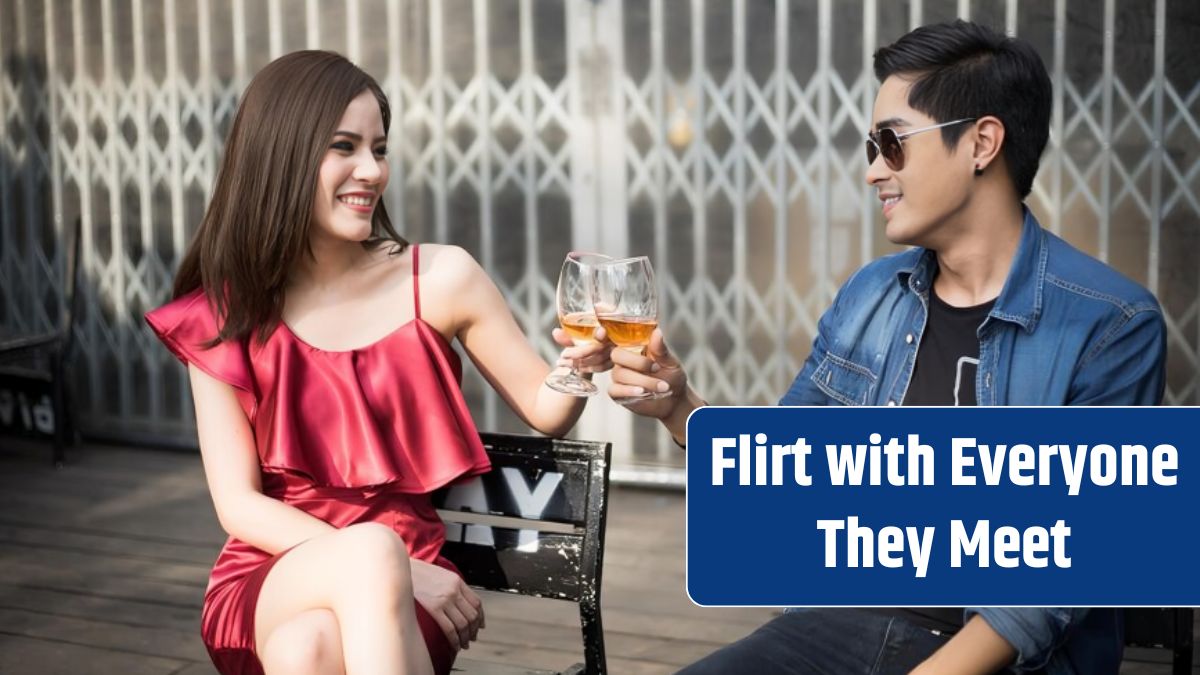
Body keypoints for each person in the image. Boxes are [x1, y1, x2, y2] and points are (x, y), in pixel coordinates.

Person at [600, 20, 1166, 675]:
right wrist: (679, 404)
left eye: (891, 143)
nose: (873, 171)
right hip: (837, 625)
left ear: (981, 142)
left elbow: (1052, 582)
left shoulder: (1112, 325)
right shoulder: (872, 294)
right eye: (871, 145)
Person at [146, 51, 611, 675]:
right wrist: (400, 567)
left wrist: (578, 364)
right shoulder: (226, 311)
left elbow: (547, 409)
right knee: (367, 557)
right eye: (345, 147)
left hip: (402, 595)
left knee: (304, 649)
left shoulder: (440, 278)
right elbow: (238, 506)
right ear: (280, 156)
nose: (372, 170)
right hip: (272, 573)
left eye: (379, 148)